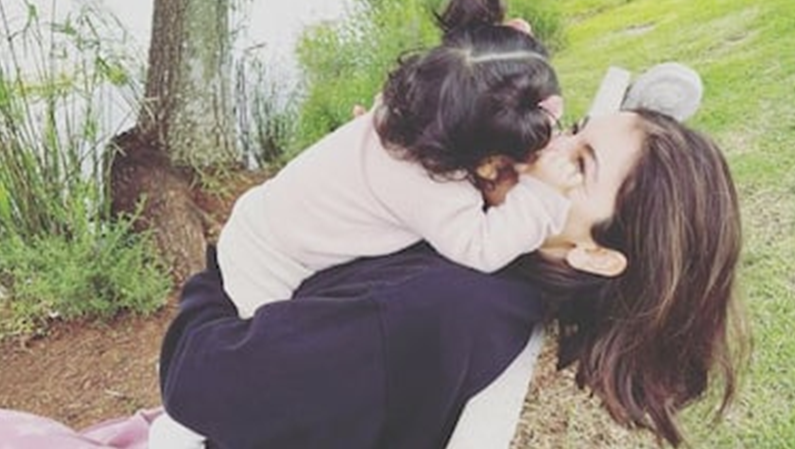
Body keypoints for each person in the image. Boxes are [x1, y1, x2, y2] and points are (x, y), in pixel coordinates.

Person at [149, 109, 745, 449]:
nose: (548, 146)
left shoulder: (435, 305)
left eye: (580, 163)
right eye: (574, 128)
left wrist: (219, 268)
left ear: (597, 255)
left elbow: (194, 381)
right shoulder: (491, 261)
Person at [150, 0, 576, 446]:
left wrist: (502, 62)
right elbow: (481, 248)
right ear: (486, 161)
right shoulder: (430, 185)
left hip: (262, 223)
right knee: (259, 378)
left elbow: (472, 77)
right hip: (266, 262)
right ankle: (183, 434)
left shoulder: (408, 112)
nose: (552, 154)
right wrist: (541, 197)